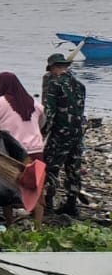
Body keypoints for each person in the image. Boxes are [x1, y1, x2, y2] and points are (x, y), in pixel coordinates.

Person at [0, 71, 46, 224]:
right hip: (36, 150)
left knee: (8, 185)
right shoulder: (33, 103)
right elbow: (41, 123)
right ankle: (38, 226)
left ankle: (10, 223)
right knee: (37, 187)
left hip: (12, 150)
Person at [41, 53, 86, 217]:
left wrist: (42, 134)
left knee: (50, 168)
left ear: (54, 67)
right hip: (77, 134)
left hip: (60, 135)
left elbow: (50, 113)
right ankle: (72, 204)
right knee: (73, 169)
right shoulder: (80, 85)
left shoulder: (55, 84)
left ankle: (48, 204)